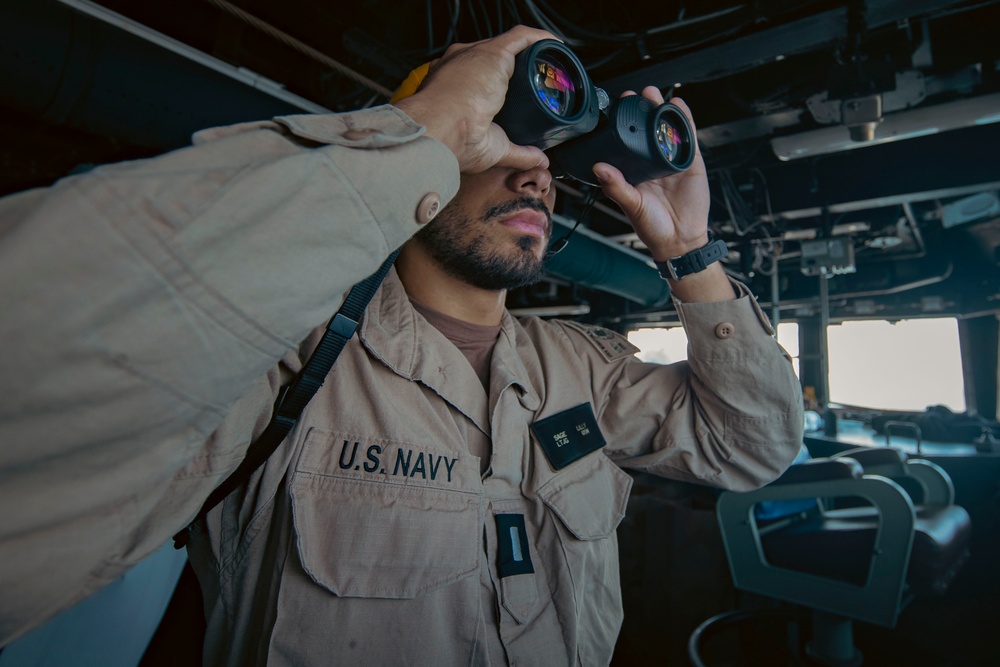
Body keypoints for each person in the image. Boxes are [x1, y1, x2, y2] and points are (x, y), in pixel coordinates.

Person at [0, 25, 803, 665]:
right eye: (499, 143)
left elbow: (751, 445)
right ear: (431, 157)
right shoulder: (289, 361)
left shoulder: (580, 369)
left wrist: (690, 252)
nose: (534, 176)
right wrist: (420, 127)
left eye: (544, 161)